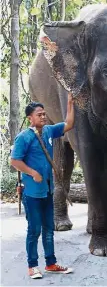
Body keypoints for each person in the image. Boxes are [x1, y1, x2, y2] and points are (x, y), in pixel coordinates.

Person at [11, 92, 75, 279]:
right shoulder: (24, 137)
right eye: (39, 114)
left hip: (48, 190)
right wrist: (33, 173)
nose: (43, 116)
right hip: (32, 193)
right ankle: (32, 266)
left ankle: (51, 263)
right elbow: (15, 161)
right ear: (30, 118)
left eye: (44, 113)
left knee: (48, 229)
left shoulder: (48, 131)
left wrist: (70, 104)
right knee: (34, 230)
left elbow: (69, 124)